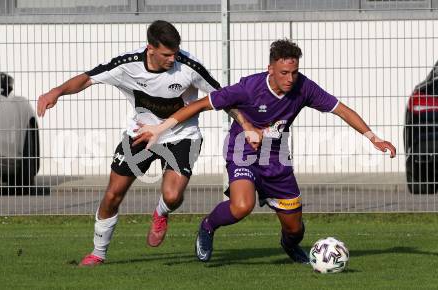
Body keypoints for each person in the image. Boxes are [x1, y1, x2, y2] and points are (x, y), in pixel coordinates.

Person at [134, 39, 397, 263]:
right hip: (242, 151)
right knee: (242, 205)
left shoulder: (304, 87)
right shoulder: (249, 88)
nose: (289, 78)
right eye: (283, 72)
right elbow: (199, 105)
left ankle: (290, 245)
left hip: (277, 157)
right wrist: (160, 129)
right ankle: (207, 226)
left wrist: (373, 137)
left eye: (293, 72)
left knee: (295, 228)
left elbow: (340, 109)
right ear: (270, 68)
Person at [37, 20, 251, 267]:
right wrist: (56, 91)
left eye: (175, 53)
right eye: (166, 54)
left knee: (172, 196)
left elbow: (222, 97)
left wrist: (246, 125)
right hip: (140, 133)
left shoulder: (189, 67)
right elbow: (87, 79)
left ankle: (161, 212)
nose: (173, 59)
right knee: (113, 194)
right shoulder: (127, 65)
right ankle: (98, 253)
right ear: (151, 48)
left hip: (182, 136)